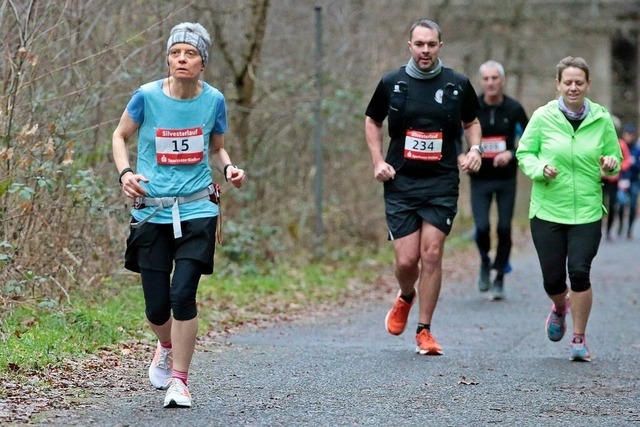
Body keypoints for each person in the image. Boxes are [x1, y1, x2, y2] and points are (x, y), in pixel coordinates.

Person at [112, 22, 245, 408]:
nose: (181, 59)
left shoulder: (214, 100)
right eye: (175, 53)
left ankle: (180, 382)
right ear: (168, 58)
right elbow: (120, 136)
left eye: (190, 54)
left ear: (203, 62)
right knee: (156, 307)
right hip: (152, 211)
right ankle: (166, 345)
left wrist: (230, 168)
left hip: (198, 209)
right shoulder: (147, 96)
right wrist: (126, 174)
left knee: (183, 294)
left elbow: (217, 148)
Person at [364, 19, 482, 355]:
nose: (425, 50)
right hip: (400, 181)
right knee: (406, 261)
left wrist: (475, 150)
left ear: (440, 46)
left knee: (431, 254)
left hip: (442, 181)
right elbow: (372, 120)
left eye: (431, 44)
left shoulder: (457, 83)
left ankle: (424, 330)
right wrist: (377, 161)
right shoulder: (392, 82)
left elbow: (472, 123)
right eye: (419, 44)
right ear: (410, 46)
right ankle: (405, 295)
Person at [516, 56, 621, 362]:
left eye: (579, 82)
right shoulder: (543, 116)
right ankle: (560, 306)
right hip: (548, 208)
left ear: (588, 85)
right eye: (568, 82)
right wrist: (539, 168)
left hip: (587, 209)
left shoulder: (601, 119)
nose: (573, 87)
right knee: (552, 279)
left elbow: (613, 158)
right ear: (558, 84)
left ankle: (579, 337)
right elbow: (525, 152)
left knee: (579, 271)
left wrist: (611, 164)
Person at [464, 60, 528, 300]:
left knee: (503, 228)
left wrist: (511, 153)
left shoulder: (514, 109)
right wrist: (463, 154)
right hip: (479, 178)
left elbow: (531, 140)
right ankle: (484, 260)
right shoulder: (472, 107)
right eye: (486, 79)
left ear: (502, 81)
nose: (490, 83)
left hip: (506, 179)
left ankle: (499, 275)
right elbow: (457, 137)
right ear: (481, 82)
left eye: (495, 78)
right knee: (481, 227)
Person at [601, 117, 631, 240]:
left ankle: (608, 231)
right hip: (600, 180)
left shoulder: (621, 144)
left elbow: (627, 160)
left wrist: (618, 168)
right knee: (598, 205)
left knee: (613, 206)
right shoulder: (598, 141)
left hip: (613, 180)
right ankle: (596, 230)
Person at [617, 123, 640, 238]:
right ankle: (621, 224)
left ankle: (629, 230)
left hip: (634, 180)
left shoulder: (637, 149)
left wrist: (634, 162)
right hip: (622, 180)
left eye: (631, 134)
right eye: (627, 134)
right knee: (621, 204)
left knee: (632, 206)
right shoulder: (620, 146)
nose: (629, 136)